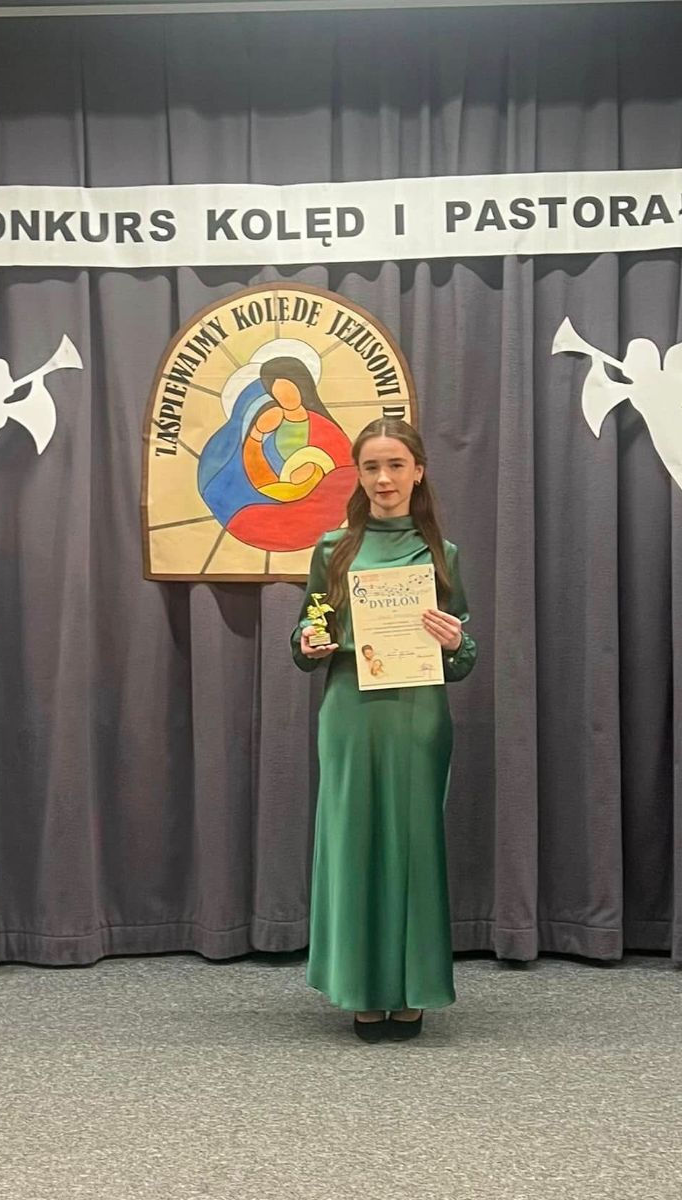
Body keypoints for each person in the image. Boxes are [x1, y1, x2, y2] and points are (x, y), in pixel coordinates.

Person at [291, 417, 477, 1043]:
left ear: (417, 471)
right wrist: (308, 641)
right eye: (371, 466)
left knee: (414, 845)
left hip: (418, 715)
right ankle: (362, 990)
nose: (384, 478)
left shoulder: (443, 555)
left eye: (396, 465)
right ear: (359, 474)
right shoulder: (332, 550)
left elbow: (463, 658)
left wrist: (454, 643)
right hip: (350, 713)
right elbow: (306, 633)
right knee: (353, 844)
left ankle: (412, 988)